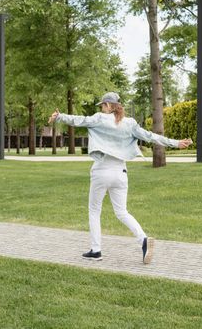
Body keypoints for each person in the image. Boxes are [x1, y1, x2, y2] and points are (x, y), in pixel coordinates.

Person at [49, 92, 192, 264]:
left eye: (103, 105)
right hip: (120, 173)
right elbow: (150, 136)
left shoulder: (100, 118)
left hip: (101, 171)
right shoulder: (130, 123)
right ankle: (143, 240)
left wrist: (59, 117)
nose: (101, 108)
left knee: (94, 210)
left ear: (108, 106)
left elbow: (80, 119)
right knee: (122, 212)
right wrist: (176, 143)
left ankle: (96, 250)